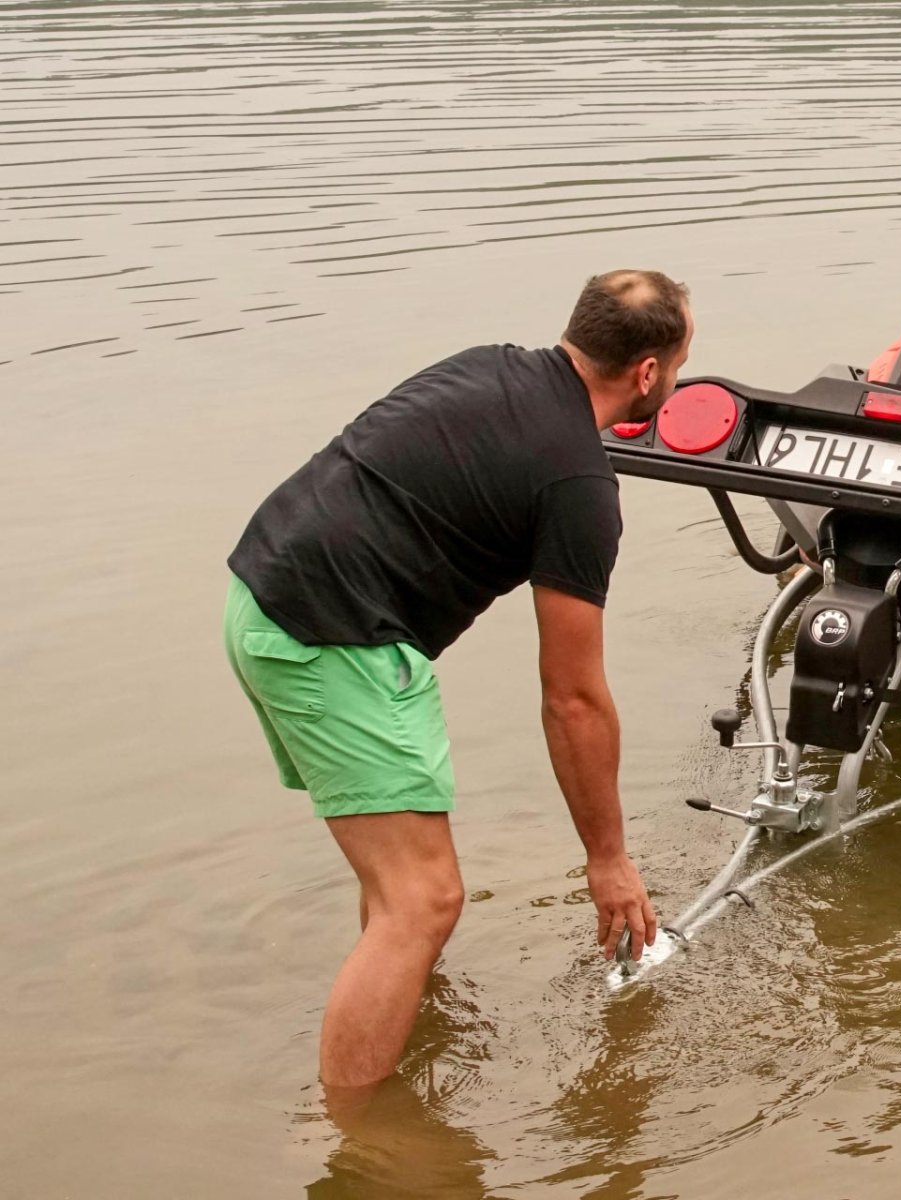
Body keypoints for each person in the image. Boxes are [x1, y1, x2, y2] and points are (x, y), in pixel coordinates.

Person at [222, 269, 692, 1089]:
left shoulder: (485, 365)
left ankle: (403, 1045)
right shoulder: (579, 484)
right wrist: (608, 859)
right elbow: (573, 699)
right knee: (424, 900)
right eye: (680, 367)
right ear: (647, 372)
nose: (677, 383)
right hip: (329, 636)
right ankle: (353, 1138)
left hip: (260, 594)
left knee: (394, 888)